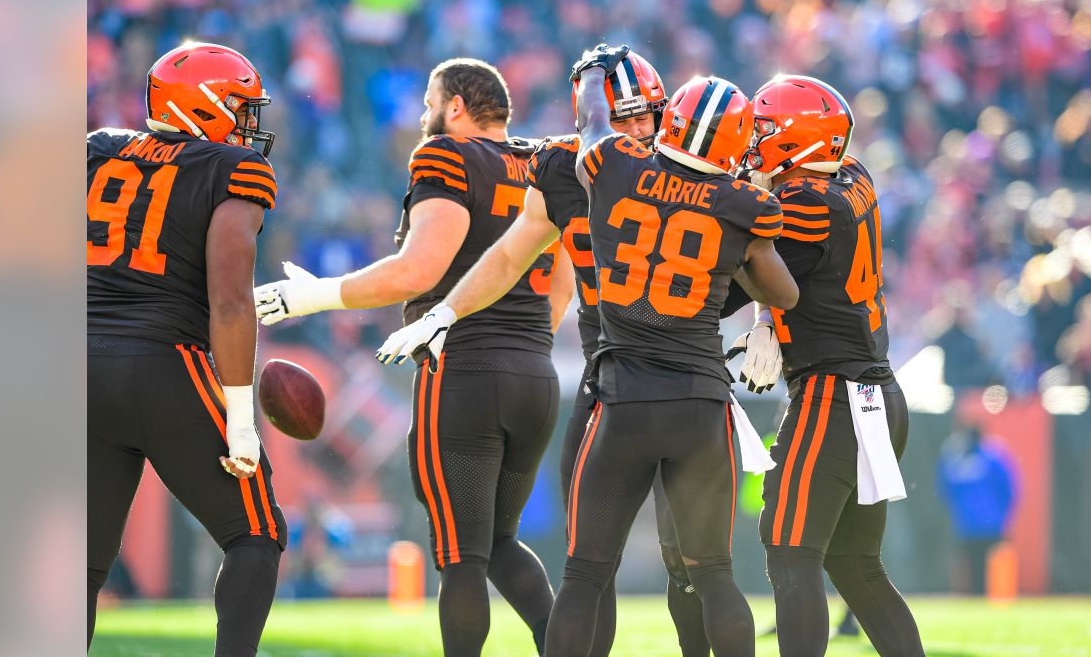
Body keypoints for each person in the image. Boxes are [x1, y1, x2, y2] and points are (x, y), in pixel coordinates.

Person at [374, 50, 709, 656]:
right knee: (598, 565)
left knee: (671, 568)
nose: (634, 130)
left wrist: (316, 295)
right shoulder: (576, 161)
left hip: (584, 381)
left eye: (643, 117)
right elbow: (524, 264)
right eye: (624, 115)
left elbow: (470, 263)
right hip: (640, 379)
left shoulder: (556, 161)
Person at [255, 58, 573, 656]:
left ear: (456, 107)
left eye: (430, 102)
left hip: (464, 374)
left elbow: (418, 270)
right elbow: (565, 280)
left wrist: (312, 296)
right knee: (499, 541)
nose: (424, 115)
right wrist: (525, 345)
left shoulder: (445, 153)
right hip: (534, 373)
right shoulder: (546, 162)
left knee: (463, 558)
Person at [519, 44, 794, 657]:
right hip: (700, 405)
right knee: (715, 576)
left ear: (668, 118)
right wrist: (738, 250)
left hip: (624, 402)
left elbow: (595, 130)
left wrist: (593, 81)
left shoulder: (616, 169)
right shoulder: (738, 203)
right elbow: (784, 290)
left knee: (584, 576)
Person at [87, 41, 286, 656]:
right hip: (164, 362)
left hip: (77, 364)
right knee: (256, 532)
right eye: (238, 105)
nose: (248, 120)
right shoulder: (228, 167)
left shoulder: (95, 149)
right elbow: (230, 300)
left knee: (83, 561)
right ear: (202, 105)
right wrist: (241, 417)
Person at [727, 75, 924, 656]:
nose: (752, 142)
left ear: (794, 141)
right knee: (855, 565)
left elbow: (743, 280)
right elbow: (782, 265)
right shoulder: (851, 176)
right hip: (876, 392)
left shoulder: (807, 204)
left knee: (790, 551)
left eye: (763, 131)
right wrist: (768, 321)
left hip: (831, 398)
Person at [936, 424, 1018, 595]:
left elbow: (945, 490)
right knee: (987, 565)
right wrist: (1003, 517)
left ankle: (978, 595)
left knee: (974, 565)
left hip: (969, 525)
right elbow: (1009, 490)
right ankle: (990, 596)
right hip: (990, 524)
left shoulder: (956, 460)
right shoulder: (993, 457)